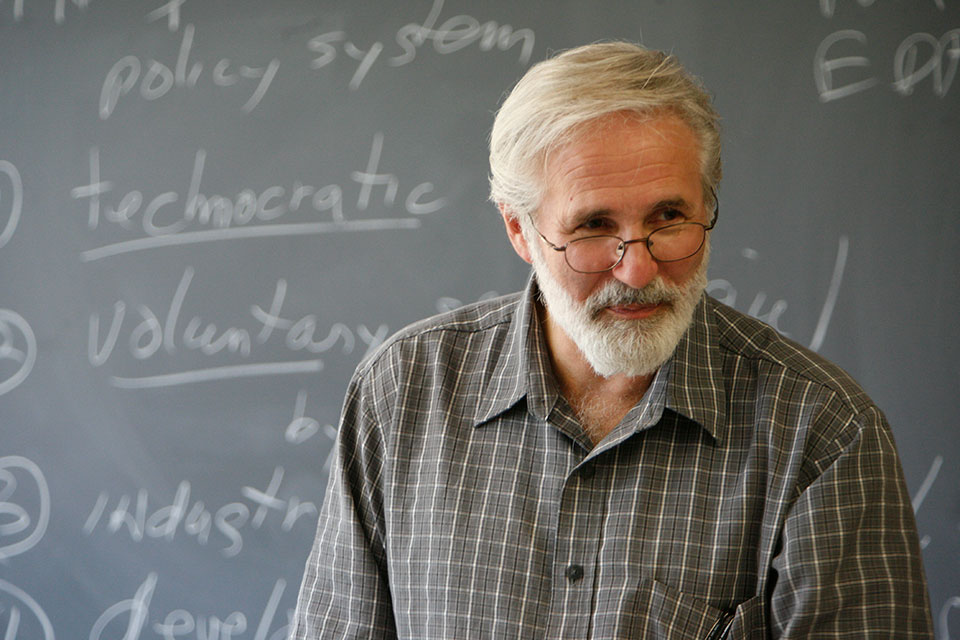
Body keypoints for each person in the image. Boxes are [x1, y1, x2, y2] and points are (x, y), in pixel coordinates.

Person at [290, 42, 932, 638]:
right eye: (594, 226)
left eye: (669, 217)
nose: (638, 269)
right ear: (520, 231)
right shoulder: (401, 393)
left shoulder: (822, 435)